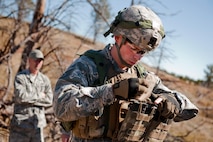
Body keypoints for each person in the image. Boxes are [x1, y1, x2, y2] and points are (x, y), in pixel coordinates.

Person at [53, 5, 198, 142]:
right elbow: (60, 106)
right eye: (134, 48)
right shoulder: (89, 66)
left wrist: (173, 101)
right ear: (118, 37)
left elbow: (189, 110)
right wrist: (112, 91)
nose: (138, 57)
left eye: (143, 52)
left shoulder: (143, 77)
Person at [9, 49, 53, 142]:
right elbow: (21, 96)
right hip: (20, 125)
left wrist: (30, 98)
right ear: (29, 60)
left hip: (37, 126)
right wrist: (39, 96)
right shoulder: (21, 77)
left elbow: (49, 99)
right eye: (35, 60)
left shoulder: (45, 80)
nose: (38, 63)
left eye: (40, 61)